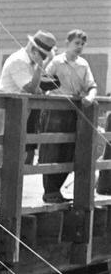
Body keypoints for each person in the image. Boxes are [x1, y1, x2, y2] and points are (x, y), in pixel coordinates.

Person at [0, 30, 56, 208]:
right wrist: (40, 68)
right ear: (33, 48)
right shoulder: (19, 60)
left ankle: (8, 193)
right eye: (41, 54)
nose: (42, 57)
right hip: (5, 108)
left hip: (20, 111)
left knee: (18, 152)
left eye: (45, 55)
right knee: (0, 151)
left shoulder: (31, 63)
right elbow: (31, 88)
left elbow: (38, 90)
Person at [40, 29, 99, 203]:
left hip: (74, 111)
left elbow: (92, 85)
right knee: (52, 149)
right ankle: (49, 190)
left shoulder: (83, 64)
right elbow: (44, 81)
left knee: (69, 150)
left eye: (82, 44)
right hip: (56, 110)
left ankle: (56, 189)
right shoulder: (57, 62)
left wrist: (90, 97)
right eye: (76, 43)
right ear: (67, 43)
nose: (79, 47)